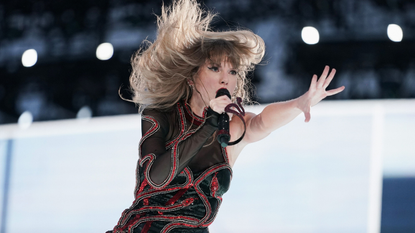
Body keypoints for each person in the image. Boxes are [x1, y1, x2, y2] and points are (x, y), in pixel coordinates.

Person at [107, 0, 345, 232]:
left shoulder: (231, 128)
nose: (225, 78)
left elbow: (262, 121)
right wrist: (210, 121)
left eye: (232, 71)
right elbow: (156, 178)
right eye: (214, 68)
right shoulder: (160, 115)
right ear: (191, 76)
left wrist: (298, 103)